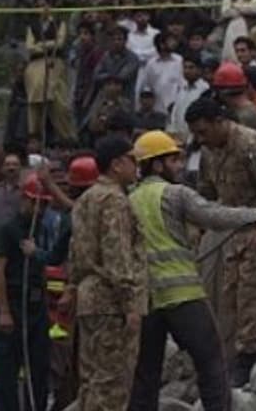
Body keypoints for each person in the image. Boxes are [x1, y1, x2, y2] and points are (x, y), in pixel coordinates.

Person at [128, 131, 256, 409]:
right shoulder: (174, 194)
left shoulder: (128, 199)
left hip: (146, 301)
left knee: (145, 376)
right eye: (173, 160)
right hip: (183, 295)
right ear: (156, 165)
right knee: (212, 364)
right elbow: (216, 216)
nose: (180, 166)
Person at [186, 97, 256, 383]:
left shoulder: (250, 145)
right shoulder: (209, 152)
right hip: (236, 230)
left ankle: (248, 357)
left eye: (203, 132)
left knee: (252, 294)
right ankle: (246, 353)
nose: (200, 139)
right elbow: (206, 193)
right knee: (230, 296)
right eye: (196, 134)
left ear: (220, 122)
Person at [69, 136, 147, 410]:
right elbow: (117, 254)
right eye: (132, 160)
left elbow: (75, 252)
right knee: (112, 384)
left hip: (88, 298)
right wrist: (130, 304)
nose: (136, 166)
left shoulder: (85, 199)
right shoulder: (114, 200)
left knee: (91, 381)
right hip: (111, 302)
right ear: (116, 165)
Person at [0, 174, 52, 411]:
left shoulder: (42, 229)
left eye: (44, 204)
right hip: (14, 303)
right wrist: (4, 310)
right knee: (6, 371)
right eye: (37, 203)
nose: (41, 209)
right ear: (25, 200)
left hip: (36, 306)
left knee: (39, 368)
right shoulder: (7, 230)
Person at [26, 0, 77, 143]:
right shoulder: (32, 25)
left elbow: (60, 43)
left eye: (43, 5)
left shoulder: (58, 23)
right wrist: (48, 44)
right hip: (35, 65)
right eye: (38, 6)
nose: (41, 9)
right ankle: (34, 135)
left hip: (54, 62)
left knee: (56, 99)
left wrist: (41, 45)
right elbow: (29, 47)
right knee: (35, 98)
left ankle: (66, 137)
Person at [140, 33, 184, 115]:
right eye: (170, 41)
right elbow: (146, 86)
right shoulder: (151, 64)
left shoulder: (179, 61)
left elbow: (182, 85)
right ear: (162, 44)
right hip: (156, 109)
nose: (174, 43)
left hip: (176, 108)